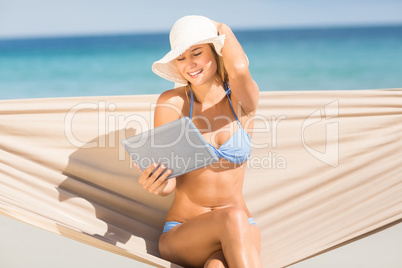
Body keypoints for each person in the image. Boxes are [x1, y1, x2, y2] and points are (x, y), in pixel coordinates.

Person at [137, 15, 262, 267]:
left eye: (197, 53)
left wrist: (220, 28)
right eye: (181, 58)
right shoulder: (173, 103)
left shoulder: (242, 102)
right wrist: (158, 184)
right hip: (184, 230)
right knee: (233, 218)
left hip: (242, 227)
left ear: (216, 53)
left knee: (217, 264)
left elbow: (238, 69)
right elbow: (169, 184)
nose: (189, 64)